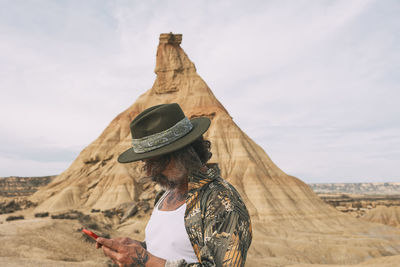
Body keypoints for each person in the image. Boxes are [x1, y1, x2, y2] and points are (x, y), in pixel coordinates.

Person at [96, 103, 252, 267]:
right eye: (145, 163)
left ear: (182, 154)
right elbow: (169, 252)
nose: (149, 173)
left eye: (155, 163)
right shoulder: (165, 194)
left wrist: (146, 261)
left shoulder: (221, 200)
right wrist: (136, 248)